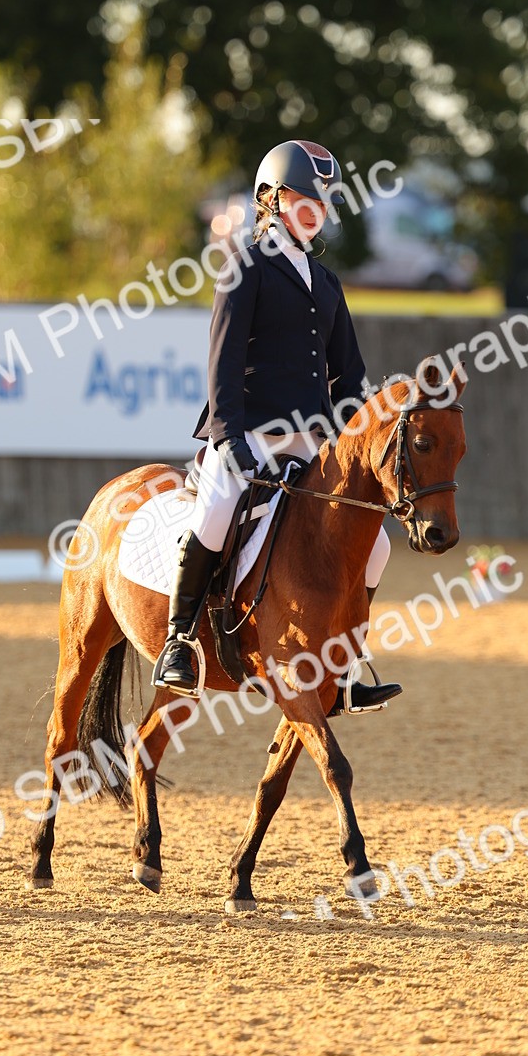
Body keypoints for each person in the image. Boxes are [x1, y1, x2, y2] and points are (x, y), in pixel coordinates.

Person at [153, 139, 402, 712]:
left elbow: (351, 380)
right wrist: (228, 439)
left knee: (377, 548)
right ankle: (179, 640)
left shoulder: (328, 283)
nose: (316, 207)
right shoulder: (247, 267)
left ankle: (344, 662)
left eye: (324, 199)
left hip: (310, 446)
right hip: (247, 438)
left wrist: (359, 442)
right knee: (216, 515)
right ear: (271, 198)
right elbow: (223, 361)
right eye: (303, 196)